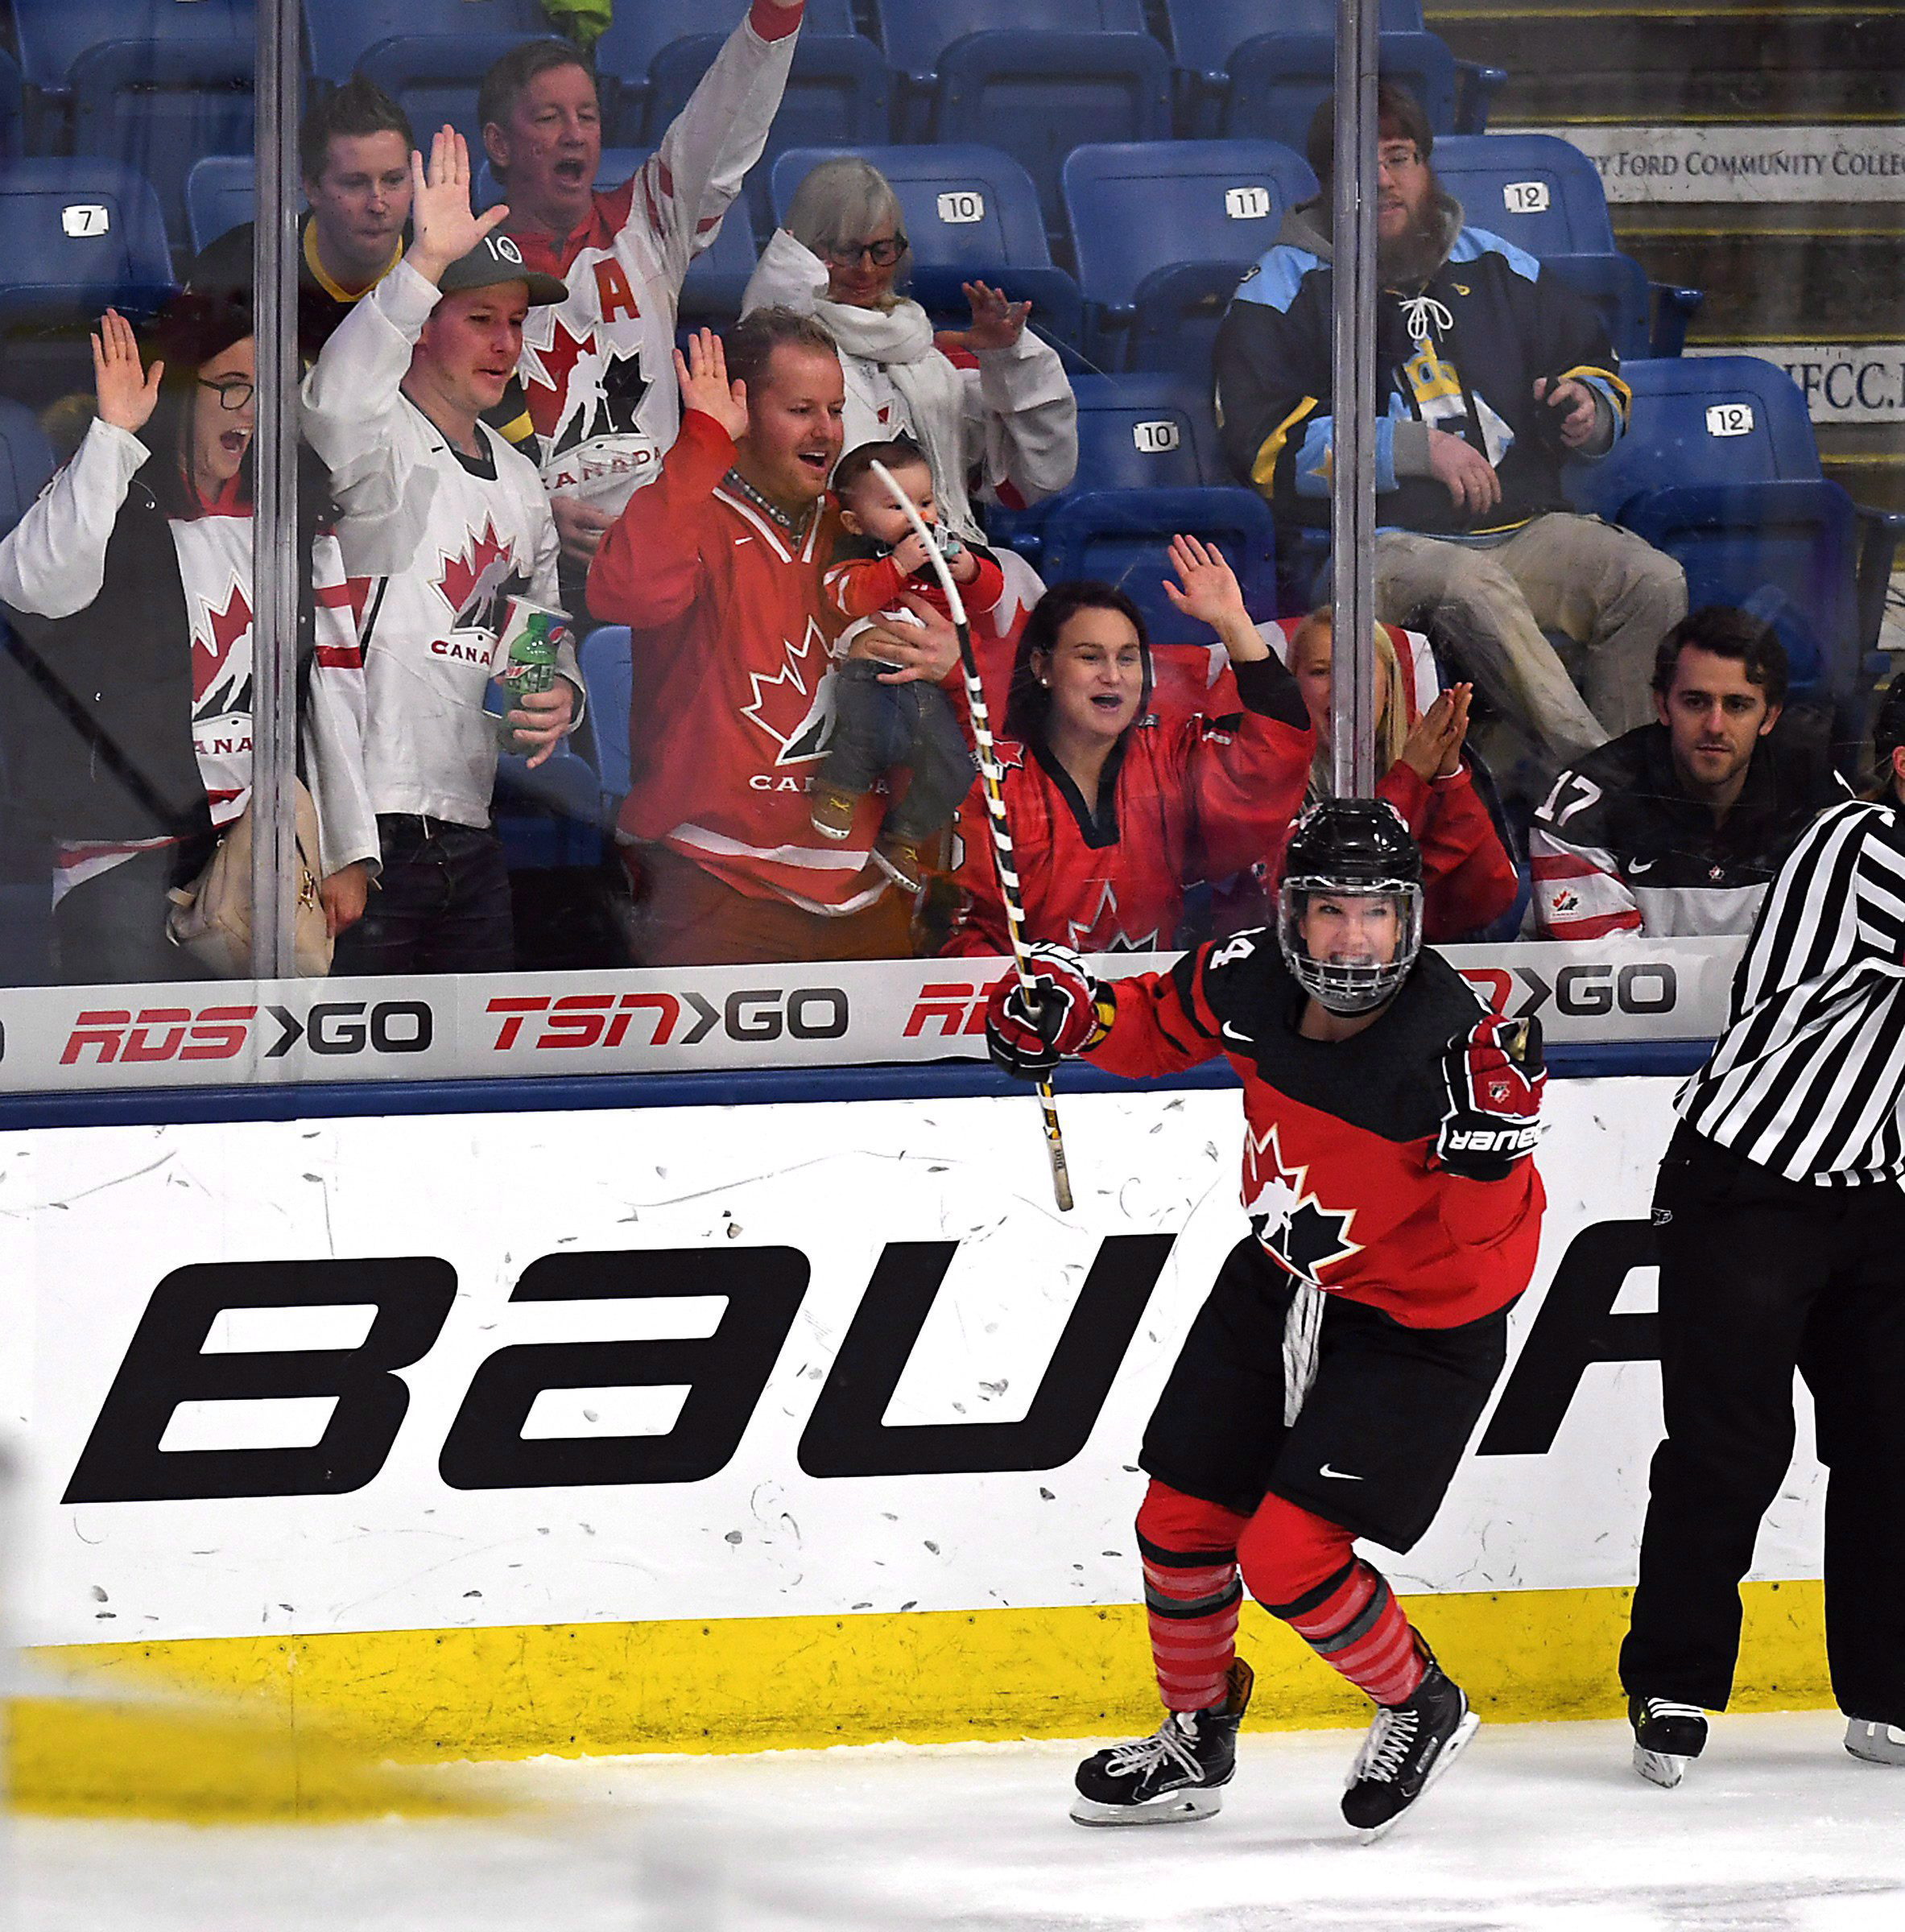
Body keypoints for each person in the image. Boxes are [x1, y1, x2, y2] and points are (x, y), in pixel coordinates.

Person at [983, 800, 1547, 1835]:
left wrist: (1490, 1159)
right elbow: (1156, 1024)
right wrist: (1081, 1020)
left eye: (1373, 913)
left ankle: (1420, 1702)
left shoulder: (1450, 1048)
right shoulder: (1249, 974)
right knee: (1178, 1525)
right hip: (1276, 1281)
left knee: (1288, 1556)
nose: (1350, 937)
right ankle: (1193, 1742)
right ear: (1289, 916)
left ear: (1409, 920)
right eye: (1327, 910)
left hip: (1415, 1329)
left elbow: (1489, 1260)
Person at [1214, 82, 1686, 768]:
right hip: (1373, 548)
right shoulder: (1280, 286)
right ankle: (1605, 789)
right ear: (1325, 182)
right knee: (1473, 586)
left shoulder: (1496, 263)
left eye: (1399, 157)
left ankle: (1633, 784)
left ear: (1426, 167)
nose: (1383, 181)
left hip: (1521, 531)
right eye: (1359, 164)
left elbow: (1593, 358)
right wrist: (1408, 448)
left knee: (1649, 580)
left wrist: (1589, 405)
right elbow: (1261, 448)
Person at [1620, 676, 1905, 1786]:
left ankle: (1887, 1692)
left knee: (1891, 1447)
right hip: (1746, 1186)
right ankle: (1672, 1685)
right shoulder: (1861, 843)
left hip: (1873, 1195)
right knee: (1729, 1451)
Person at [0, 298, 378, 984]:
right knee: (120, 1076)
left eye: (267, 391)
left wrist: (350, 849)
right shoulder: (109, 495)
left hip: (253, 853)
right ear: (175, 390)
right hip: (118, 863)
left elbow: (334, 688)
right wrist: (114, 435)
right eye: (232, 386)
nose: (250, 410)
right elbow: (36, 587)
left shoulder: (294, 520)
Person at [300, 128, 583, 976]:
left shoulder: (522, 480)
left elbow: (533, 630)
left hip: (471, 825)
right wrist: (421, 266)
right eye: (481, 320)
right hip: (364, 832)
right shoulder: (374, 442)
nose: (505, 344)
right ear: (424, 327)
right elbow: (334, 405)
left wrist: (550, 692)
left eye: (515, 324)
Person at [588, 316, 953, 965]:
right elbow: (624, 595)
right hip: (714, 884)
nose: (827, 431)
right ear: (742, 409)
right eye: (800, 409)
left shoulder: (864, 530)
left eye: (836, 410)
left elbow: (978, 665)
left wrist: (950, 659)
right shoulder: (690, 510)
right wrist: (703, 443)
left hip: (867, 890)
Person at [478, 2, 805, 601]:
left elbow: (723, 125)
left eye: (588, 116)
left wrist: (774, 19)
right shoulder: (466, 269)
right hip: (531, 563)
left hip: (664, 553)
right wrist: (538, 510)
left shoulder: (649, 220)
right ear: (499, 143)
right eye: (549, 118)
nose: (575, 133)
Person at [941, 547, 1313, 957]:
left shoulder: (1170, 756)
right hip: (1031, 1017)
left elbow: (1276, 755)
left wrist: (1232, 621)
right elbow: (965, 939)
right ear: (1041, 666)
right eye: (1090, 657)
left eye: (1128, 658)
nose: (1113, 676)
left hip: (1150, 1012)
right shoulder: (995, 787)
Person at [742, 155, 1078, 548]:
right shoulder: (780, 351)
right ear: (808, 251)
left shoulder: (934, 355)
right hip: (829, 568)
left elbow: (1036, 477)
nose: (866, 269)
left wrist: (1010, 360)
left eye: (882, 250)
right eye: (847, 251)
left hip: (947, 561)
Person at [1531, 606, 1847, 940]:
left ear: (1769, 718)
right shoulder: (1584, 807)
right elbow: (1597, 979)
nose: (1715, 726)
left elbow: (1838, 957)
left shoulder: (1819, 801)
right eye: (1695, 702)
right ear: (1663, 706)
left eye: (1737, 705)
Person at [1225, 606, 1517, 943]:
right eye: (1321, 672)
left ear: (1390, 689)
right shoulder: (1260, 774)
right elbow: (1297, 897)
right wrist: (1409, 779)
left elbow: (1490, 898)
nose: (1342, 689)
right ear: (1294, 686)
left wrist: (1448, 777)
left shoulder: (1429, 768)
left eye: (1359, 672)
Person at [814, 437, 998, 893]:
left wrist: (969, 570)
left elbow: (989, 596)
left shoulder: (942, 556)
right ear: (855, 522)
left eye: (926, 502)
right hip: (870, 675)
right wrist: (896, 566)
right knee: (874, 734)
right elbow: (846, 597)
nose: (920, 518)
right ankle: (838, 788)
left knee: (956, 767)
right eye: (897, 507)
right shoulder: (854, 557)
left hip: (929, 688)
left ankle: (907, 834)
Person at [189, 78, 415, 361]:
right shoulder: (236, 270)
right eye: (354, 184)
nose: (378, 204)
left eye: (394, 181)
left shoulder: (451, 270)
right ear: (311, 188)